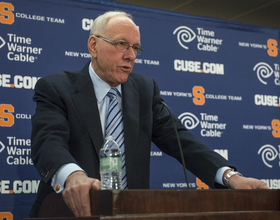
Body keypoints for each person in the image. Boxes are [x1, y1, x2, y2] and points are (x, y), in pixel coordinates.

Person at [29, 11, 269, 218]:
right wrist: (73, 176)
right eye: (121, 44)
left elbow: (181, 142)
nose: (131, 55)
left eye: (135, 48)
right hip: (66, 212)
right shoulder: (57, 88)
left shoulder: (144, 91)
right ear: (93, 45)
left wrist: (230, 177)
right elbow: (48, 142)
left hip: (131, 213)